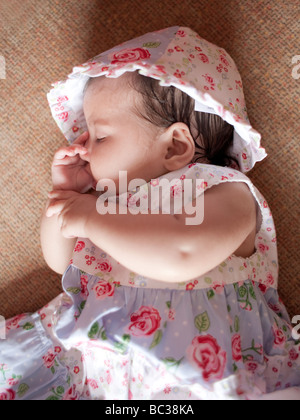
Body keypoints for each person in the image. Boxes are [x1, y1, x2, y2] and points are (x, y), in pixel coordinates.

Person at [1, 27, 299, 400]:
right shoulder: (109, 202)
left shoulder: (226, 192)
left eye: (100, 136)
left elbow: (181, 255)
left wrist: (92, 218)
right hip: (98, 377)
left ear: (175, 146)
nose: (84, 149)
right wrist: (65, 198)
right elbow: (62, 264)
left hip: (202, 382)